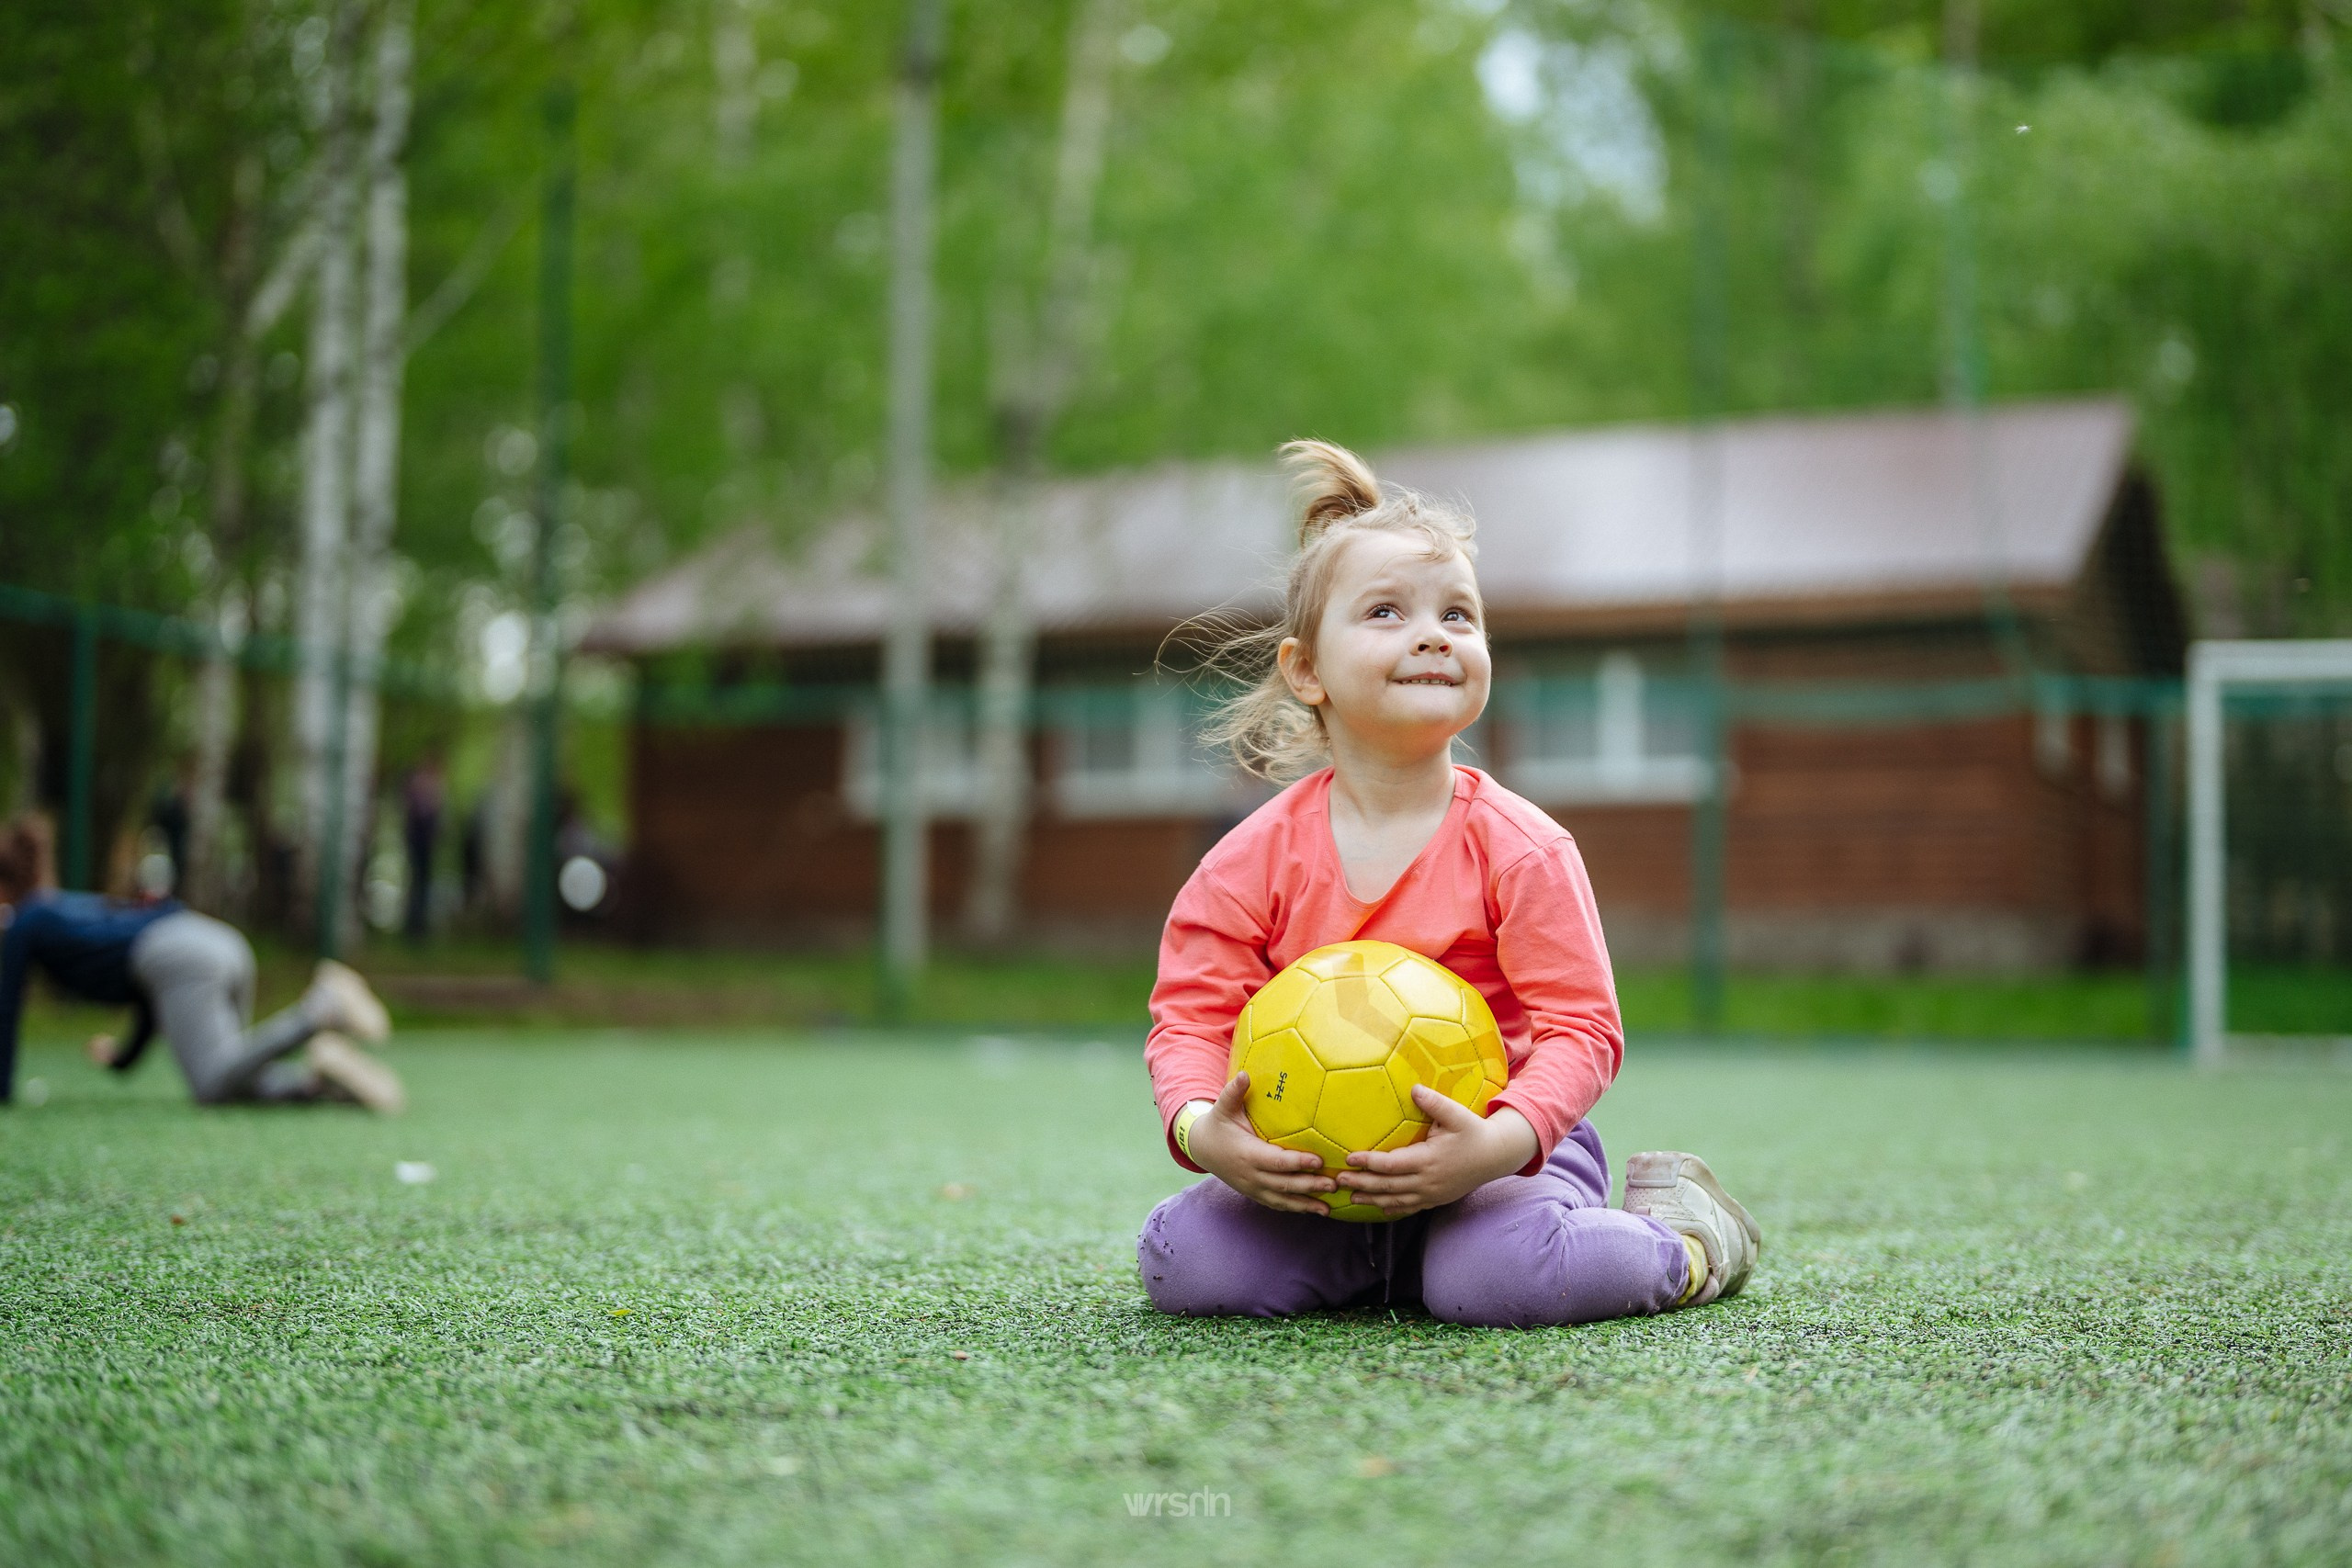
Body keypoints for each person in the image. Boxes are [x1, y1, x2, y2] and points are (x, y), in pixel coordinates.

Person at [1138, 441, 1760, 1327]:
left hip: (1498, 1160)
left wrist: (1500, 1141)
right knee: (1188, 1264)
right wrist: (1206, 1131)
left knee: (1495, 1282)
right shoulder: (1247, 860)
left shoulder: (1522, 848)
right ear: (1306, 669)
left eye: (1459, 614)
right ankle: (1390, 1262)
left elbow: (1582, 1028)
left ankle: (1687, 1241)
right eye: (1386, 611)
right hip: (1317, 1171)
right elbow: (1193, 1019)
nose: (1434, 634)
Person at [0, 815, 403, 1111]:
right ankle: (319, 1084)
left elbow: (5, 1006)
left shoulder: (27, 921)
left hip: (183, 959)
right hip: (215, 941)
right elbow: (146, 989)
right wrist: (124, 1059)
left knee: (212, 1086)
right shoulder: (64, 910)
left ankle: (320, 1008)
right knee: (235, 1075)